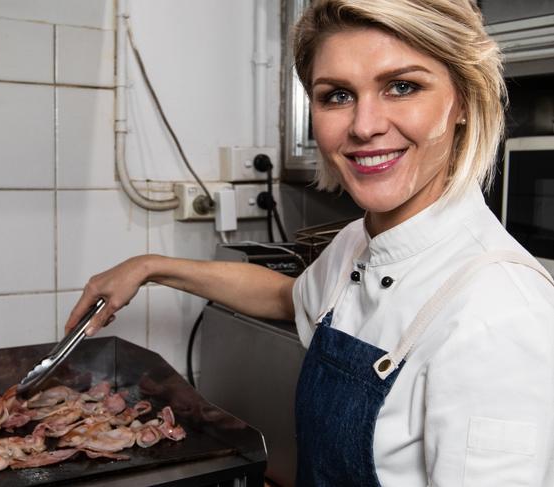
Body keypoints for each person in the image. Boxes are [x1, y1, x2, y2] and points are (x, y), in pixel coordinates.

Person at [65, 0, 554, 485]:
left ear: (464, 100)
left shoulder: (499, 313)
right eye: (337, 95)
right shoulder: (357, 243)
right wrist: (150, 267)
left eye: (402, 87)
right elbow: (285, 295)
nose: (365, 126)